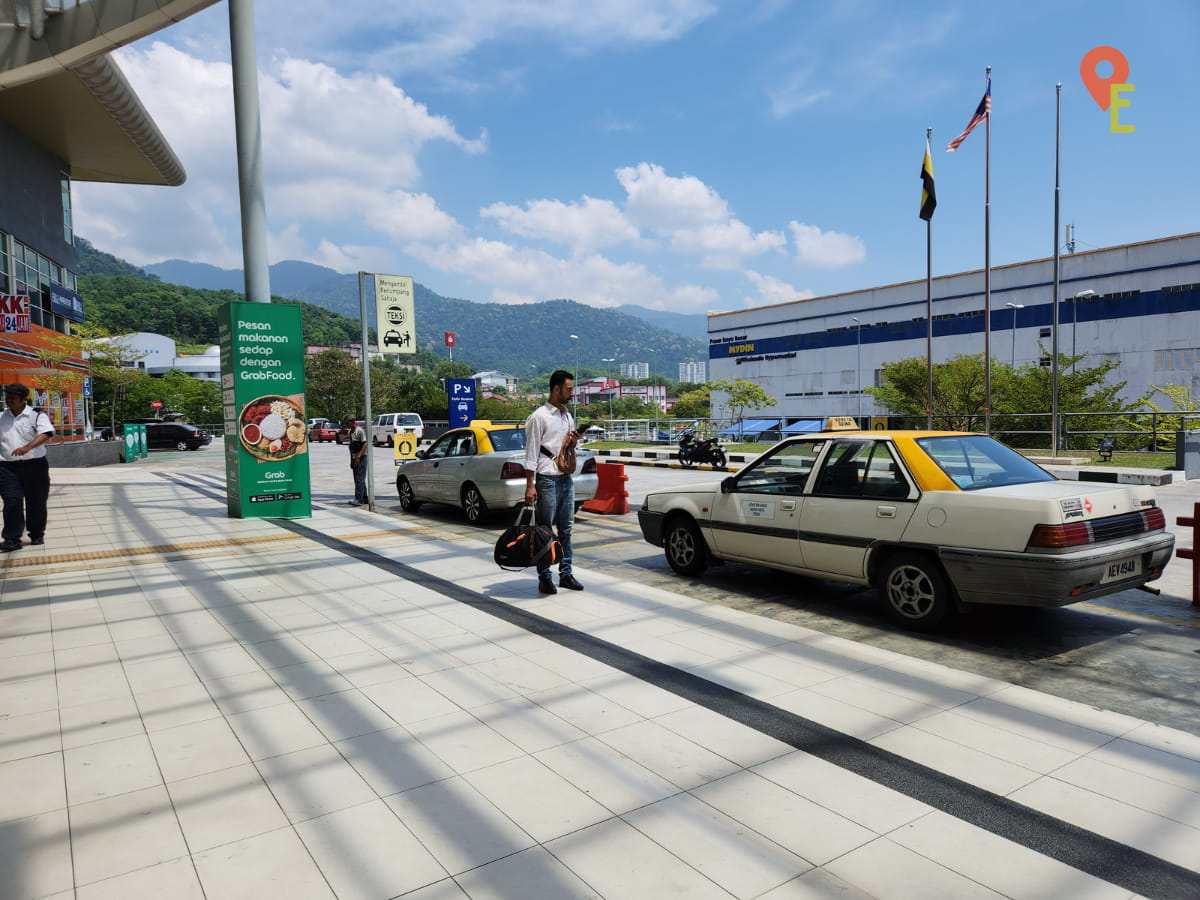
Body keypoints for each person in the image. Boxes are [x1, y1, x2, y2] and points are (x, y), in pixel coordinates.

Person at [524, 369, 583, 594]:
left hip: (565, 478)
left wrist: (573, 442)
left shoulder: (567, 415)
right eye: (568, 389)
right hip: (546, 478)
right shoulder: (539, 417)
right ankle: (545, 576)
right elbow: (530, 453)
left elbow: (564, 448)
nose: (572, 393)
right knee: (545, 530)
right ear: (556, 388)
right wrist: (530, 485)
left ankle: (566, 573)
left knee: (566, 529)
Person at [0, 383, 55, 551]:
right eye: (7, 397)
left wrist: (27, 448)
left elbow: (46, 433)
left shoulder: (37, 416)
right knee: (11, 502)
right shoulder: (1, 416)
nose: (9, 401)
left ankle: (37, 533)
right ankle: (12, 538)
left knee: (36, 502)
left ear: (24, 399)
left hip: (34, 466)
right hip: (6, 467)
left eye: (13, 398)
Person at [344, 416, 368, 505]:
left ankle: (359, 499)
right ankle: (365, 498)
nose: (346, 425)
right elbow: (351, 447)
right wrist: (352, 460)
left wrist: (358, 457)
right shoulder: (350, 432)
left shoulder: (360, 431)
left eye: (347, 423)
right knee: (358, 479)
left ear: (352, 422)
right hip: (354, 457)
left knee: (359, 479)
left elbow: (365, 444)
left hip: (362, 457)